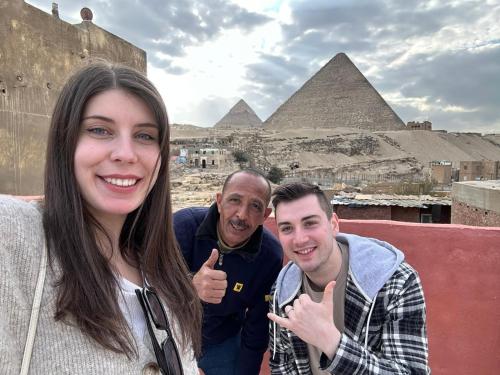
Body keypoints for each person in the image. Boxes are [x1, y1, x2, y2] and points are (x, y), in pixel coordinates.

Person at [0, 61, 202, 374]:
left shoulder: (165, 276)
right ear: (66, 143)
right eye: (99, 130)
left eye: (145, 136)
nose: (125, 153)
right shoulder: (14, 234)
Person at [267, 182, 430, 374]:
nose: (300, 239)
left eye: (310, 223)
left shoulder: (396, 282)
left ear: (333, 224)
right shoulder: (283, 288)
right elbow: (282, 365)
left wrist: (331, 342)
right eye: (287, 228)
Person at [173, 169, 283, 375]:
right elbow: (146, 283)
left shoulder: (270, 255)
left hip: (222, 344)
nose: (242, 215)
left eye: (255, 206)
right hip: (172, 338)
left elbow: (258, 326)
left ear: (265, 216)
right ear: (219, 201)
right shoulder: (182, 227)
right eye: (235, 200)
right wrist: (189, 285)